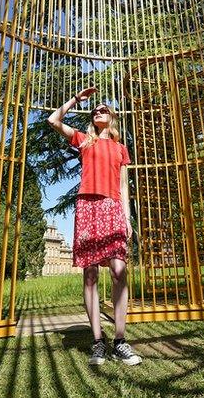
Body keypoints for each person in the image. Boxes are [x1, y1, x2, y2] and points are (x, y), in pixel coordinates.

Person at [47, 86, 142, 366]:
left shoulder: (120, 149)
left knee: (118, 269)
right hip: (87, 206)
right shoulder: (85, 140)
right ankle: (98, 341)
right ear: (93, 118)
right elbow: (53, 120)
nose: (99, 111)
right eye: (96, 110)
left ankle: (121, 341)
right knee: (89, 275)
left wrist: (126, 218)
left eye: (104, 110)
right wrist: (76, 99)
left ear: (112, 118)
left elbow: (124, 186)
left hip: (112, 207)